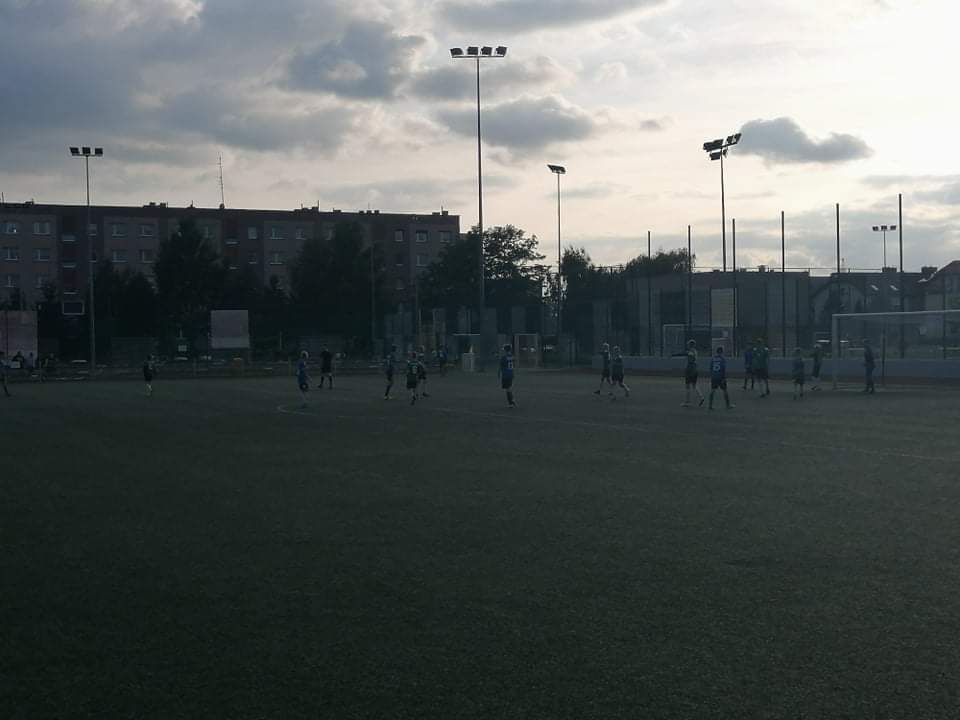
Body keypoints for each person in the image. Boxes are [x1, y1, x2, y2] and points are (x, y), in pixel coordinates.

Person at [709, 346, 734, 410]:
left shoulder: (713, 358)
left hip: (714, 376)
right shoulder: (722, 359)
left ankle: (710, 405)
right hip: (720, 376)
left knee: (712, 390)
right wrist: (724, 378)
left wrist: (712, 375)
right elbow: (723, 369)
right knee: (725, 390)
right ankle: (728, 405)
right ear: (721, 352)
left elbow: (711, 368)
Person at [682, 339, 704, 407]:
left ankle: (687, 402)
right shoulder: (695, 351)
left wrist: (673, 355)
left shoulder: (691, 352)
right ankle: (701, 397)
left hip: (690, 370)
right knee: (694, 385)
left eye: (688, 344)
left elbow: (689, 358)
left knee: (687, 386)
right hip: (695, 369)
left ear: (690, 345)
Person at [499, 343, 516, 408]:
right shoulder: (512, 356)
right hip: (511, 374)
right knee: (509, 388)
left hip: (506, 375)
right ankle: (512, 400)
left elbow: (501, 366)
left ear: (505, 350)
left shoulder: (504, 357)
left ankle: (511, 403)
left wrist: (499, 372)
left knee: (507, 389)